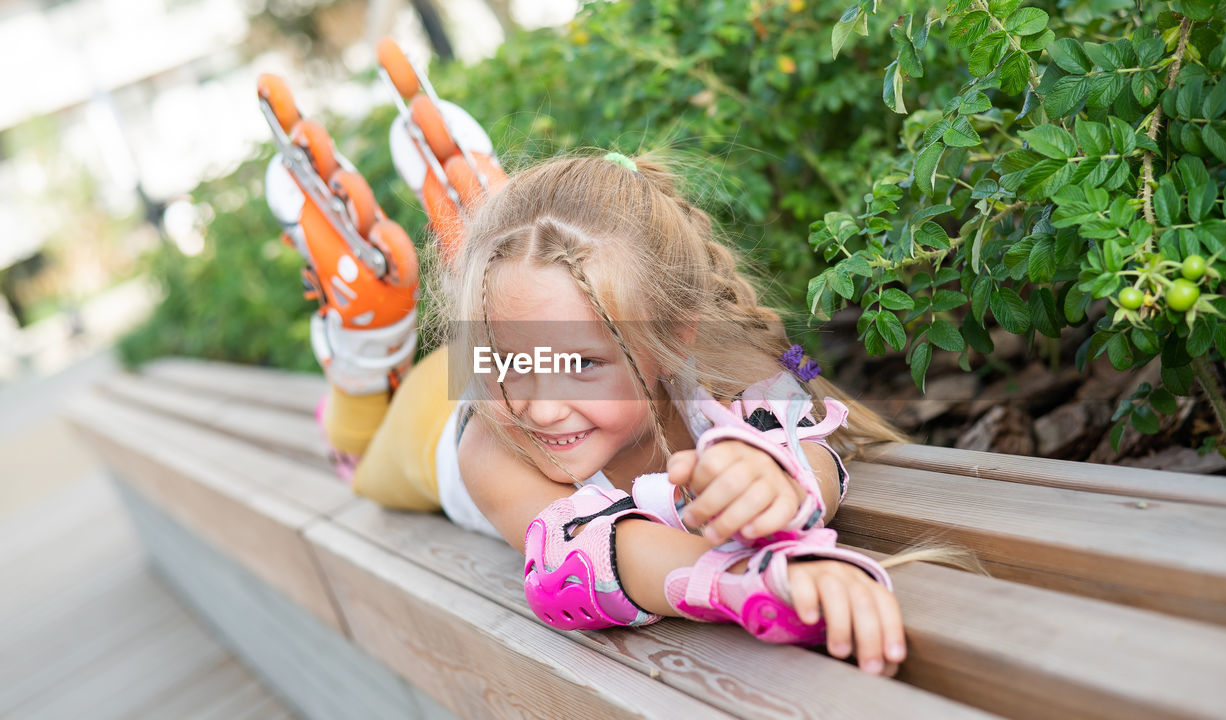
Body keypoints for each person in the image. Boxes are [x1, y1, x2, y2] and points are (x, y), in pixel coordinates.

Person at [265, 96, 970, 679]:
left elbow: (807, 416)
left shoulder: (732, 363)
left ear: (675, 336)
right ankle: (364, 349)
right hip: (428, 426)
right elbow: (582, 558)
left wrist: (779, 476)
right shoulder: (493, 446)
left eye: (578, 364)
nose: (541, 404)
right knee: (358, 459)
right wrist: (750, 583)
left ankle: (484, 213)